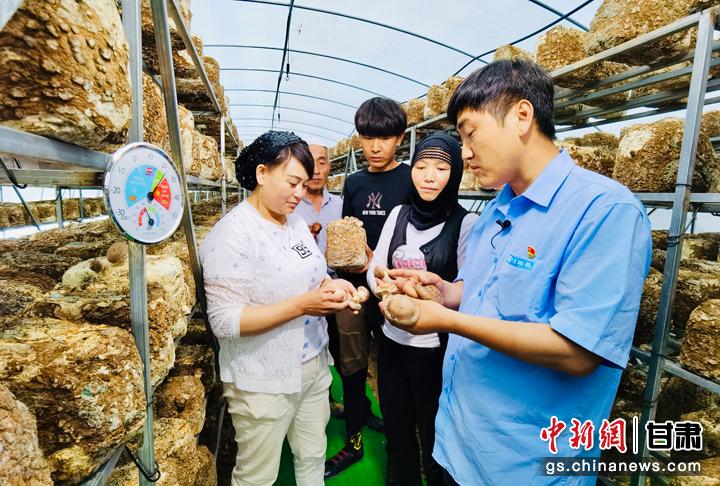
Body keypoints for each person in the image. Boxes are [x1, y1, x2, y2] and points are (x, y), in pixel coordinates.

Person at [380, 60, 652, 485]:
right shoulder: (496, 210)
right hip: (456, 443)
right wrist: (445, 292)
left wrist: (446, 320)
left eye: (470, 133)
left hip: (522, 465)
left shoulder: (604, 211)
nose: (464, 153)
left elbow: (578, 352)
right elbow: (484, 292)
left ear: (522, 116)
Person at [200, 131, 359, 486]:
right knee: (257, 476)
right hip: (263, 379)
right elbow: (225, 321)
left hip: (314, 365)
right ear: (262, 173)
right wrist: (303, 305)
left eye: (304, 184)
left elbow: (313, 274)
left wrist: (332, 287)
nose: (299, 193)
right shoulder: (233, 234)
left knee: (312, 454)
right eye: (292, 182)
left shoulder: (296, 224)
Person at [367, 132, 478, 486]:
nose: (429, 177)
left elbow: (467, 288)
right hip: (392, 343)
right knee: (397, 426)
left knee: (435, 434)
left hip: (435, 354)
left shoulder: (465, 224)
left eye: (441, 169)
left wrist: (431, 295)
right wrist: (384, 286)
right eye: (421, 167)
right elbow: (376, 265)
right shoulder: (398, 214)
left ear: (455, 173)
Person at [325, 96, 415, 479]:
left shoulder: (411, 178)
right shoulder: (355, 182)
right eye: (367, 137)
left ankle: (399, 443)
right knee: (352, 364)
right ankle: (354, 437)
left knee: (394, 365)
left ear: (400, 138)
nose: (375, 147)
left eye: (385, 138)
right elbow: (348, 232)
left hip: (394, 287)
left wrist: (383, 270)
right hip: (353, 288)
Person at [294, 143, 344, 412]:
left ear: (329, 167)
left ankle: (348, 403)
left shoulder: (340, 205)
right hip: (302, 291)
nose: (316, 170)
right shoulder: (290, 204)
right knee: (308, 348)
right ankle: (315, 401)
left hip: (337, 285)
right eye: (310, 163)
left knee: (340, 349)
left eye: (322, 162)